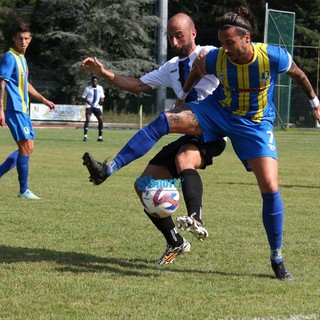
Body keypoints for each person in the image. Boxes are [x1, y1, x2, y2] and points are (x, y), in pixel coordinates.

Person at [82, 6, 320, 280]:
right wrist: (182, 98)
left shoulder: (268, 56)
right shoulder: (207, 59)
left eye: (230, 43)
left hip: (253, 124)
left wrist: (314, 102)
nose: (226, 49)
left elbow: (299, 74)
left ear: (246, 38)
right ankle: (112, 171)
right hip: (215, 113)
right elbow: (185, 73)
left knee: (269, 186)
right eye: (223, 44)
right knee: (156, 146)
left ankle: (276, 257)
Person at [81, 13, 226, 265]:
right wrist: (103, 73)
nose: (174, 42)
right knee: (143, 185)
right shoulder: (170, 67)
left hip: (211, 131)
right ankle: (176, 242)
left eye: (179, 36)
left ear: (193, 33)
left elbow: (234, 65)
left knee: (179, 150)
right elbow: (137, 85)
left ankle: (195, 217)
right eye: (170, 37)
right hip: (188, 133)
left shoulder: (209, 53)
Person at [0, 23, 56, 199]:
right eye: (20, 38)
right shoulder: (10, 57)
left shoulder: (22, 58)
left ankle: (22, 189)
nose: (23, 42)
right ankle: (23, 190)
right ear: (14, 39)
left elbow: (26, 85)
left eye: (26, 39)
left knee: (27, 148)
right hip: (13, 108)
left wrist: (43, 99)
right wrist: (0, 109)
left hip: (22, 109)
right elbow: (1, 83)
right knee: (25, 147)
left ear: (30, 40)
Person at [82, 75, 105, 142]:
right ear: (91, 81)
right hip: (89, 106)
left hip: (96, 106)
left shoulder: (100, 88)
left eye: (95, 81)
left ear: (97, 81)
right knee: (88, 119)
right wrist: (88, 102)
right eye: (93, 81)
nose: (94, 82)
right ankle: (85, 136)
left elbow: (102, 97)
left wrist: (102, 101)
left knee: (100, 120)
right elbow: (83, 97)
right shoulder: (88, 88)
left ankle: (100, 137)